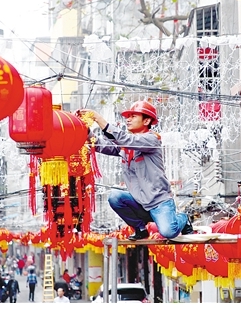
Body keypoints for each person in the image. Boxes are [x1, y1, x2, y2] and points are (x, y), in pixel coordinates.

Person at [82, 100, 194, 240]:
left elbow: (125, 140)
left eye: (133, 116)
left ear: (146, 121)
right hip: (139, 202)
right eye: (127, 117)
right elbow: (102, 145)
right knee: (115, 197)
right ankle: (140, 228)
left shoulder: (151, 139)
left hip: (158, 202)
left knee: (169, 232)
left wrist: (98, 118)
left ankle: (182, 219)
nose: (128, 120)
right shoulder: (127, 144)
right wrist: (86, 132)